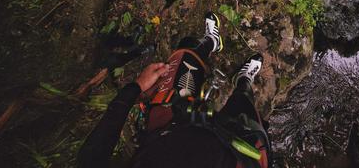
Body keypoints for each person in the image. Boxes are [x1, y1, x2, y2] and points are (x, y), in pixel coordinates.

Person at [78, 12, 269, 168]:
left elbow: (95, 151)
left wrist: (137, 86)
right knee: (243, 103)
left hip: (169, 127)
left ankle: (211, 42)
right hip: (236, 152)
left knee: (185, 56)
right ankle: (243, 81)